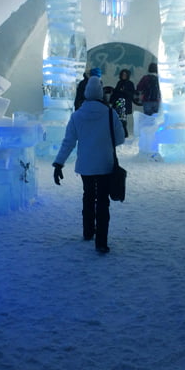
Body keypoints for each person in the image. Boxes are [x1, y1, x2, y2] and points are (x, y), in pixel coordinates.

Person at [53, 76, 125, 254]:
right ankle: (101, 242)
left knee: (88, 196)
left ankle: (87, 231)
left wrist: (58, 164)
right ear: (101, 93)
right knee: (102, 201)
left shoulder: (77, 116)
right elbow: (120, 138)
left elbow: (68, 142)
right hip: (105, 164)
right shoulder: (110, 114)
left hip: (85, 165)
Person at [113, 69, 135, 137]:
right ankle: (122, 132)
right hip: (119, 103)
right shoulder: (119, 82)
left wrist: (124, 92)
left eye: (125, 75)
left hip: (125, 103)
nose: (124, 76)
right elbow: (116, 92)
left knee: (123, 119)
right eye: (123, 74)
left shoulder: (130, 84)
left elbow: (132, 94)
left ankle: (124, 133)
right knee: (119, 119)